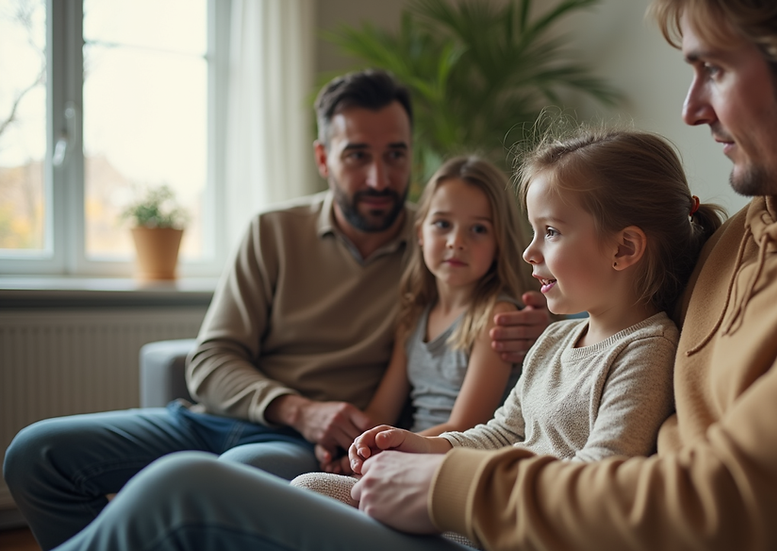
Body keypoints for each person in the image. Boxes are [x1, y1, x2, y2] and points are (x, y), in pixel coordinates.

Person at [38, 0, 777, 548]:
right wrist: (543, 343)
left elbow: (730, 506)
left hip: (526, 527)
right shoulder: (758, 227)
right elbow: (615, 307)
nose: (691, 108)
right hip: (515, 503)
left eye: (711, 70)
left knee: (180, 496)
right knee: (202, 476)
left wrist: (449, 482)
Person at [2, 69, 549, 551]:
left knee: (221, 484)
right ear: (323, 158)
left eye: (396, 155)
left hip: (300, 448)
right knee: (36, 454)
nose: (380, 179)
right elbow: (211, 360)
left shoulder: (435, 238)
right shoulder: (274, 231)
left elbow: (533, 284)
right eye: (358, 155)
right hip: (217, 418)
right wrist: (297, 408)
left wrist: (540, 326)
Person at [305, 130, 722, 512]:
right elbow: (500, 435)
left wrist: (450, 484)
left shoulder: (646, 350)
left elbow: (601, 474)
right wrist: (419, 448)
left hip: (512, 520)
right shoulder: (554, 339)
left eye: (551, 232)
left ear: (624, 248)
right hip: (480, 500)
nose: (530, 252)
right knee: (310, 488)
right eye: (533, 231)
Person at [291, 154, 534, 484]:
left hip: (455, 462)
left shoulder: (495, 316)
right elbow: (380, 412)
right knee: (310, 483)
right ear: (420, 233)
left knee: (309, 486)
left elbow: (465, 427)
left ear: (498, 242)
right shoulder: (414, 316)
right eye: (442, 224)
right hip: (406, 456)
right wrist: (350, 444)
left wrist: (384, 450)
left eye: (478, 229)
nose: (456, 242)